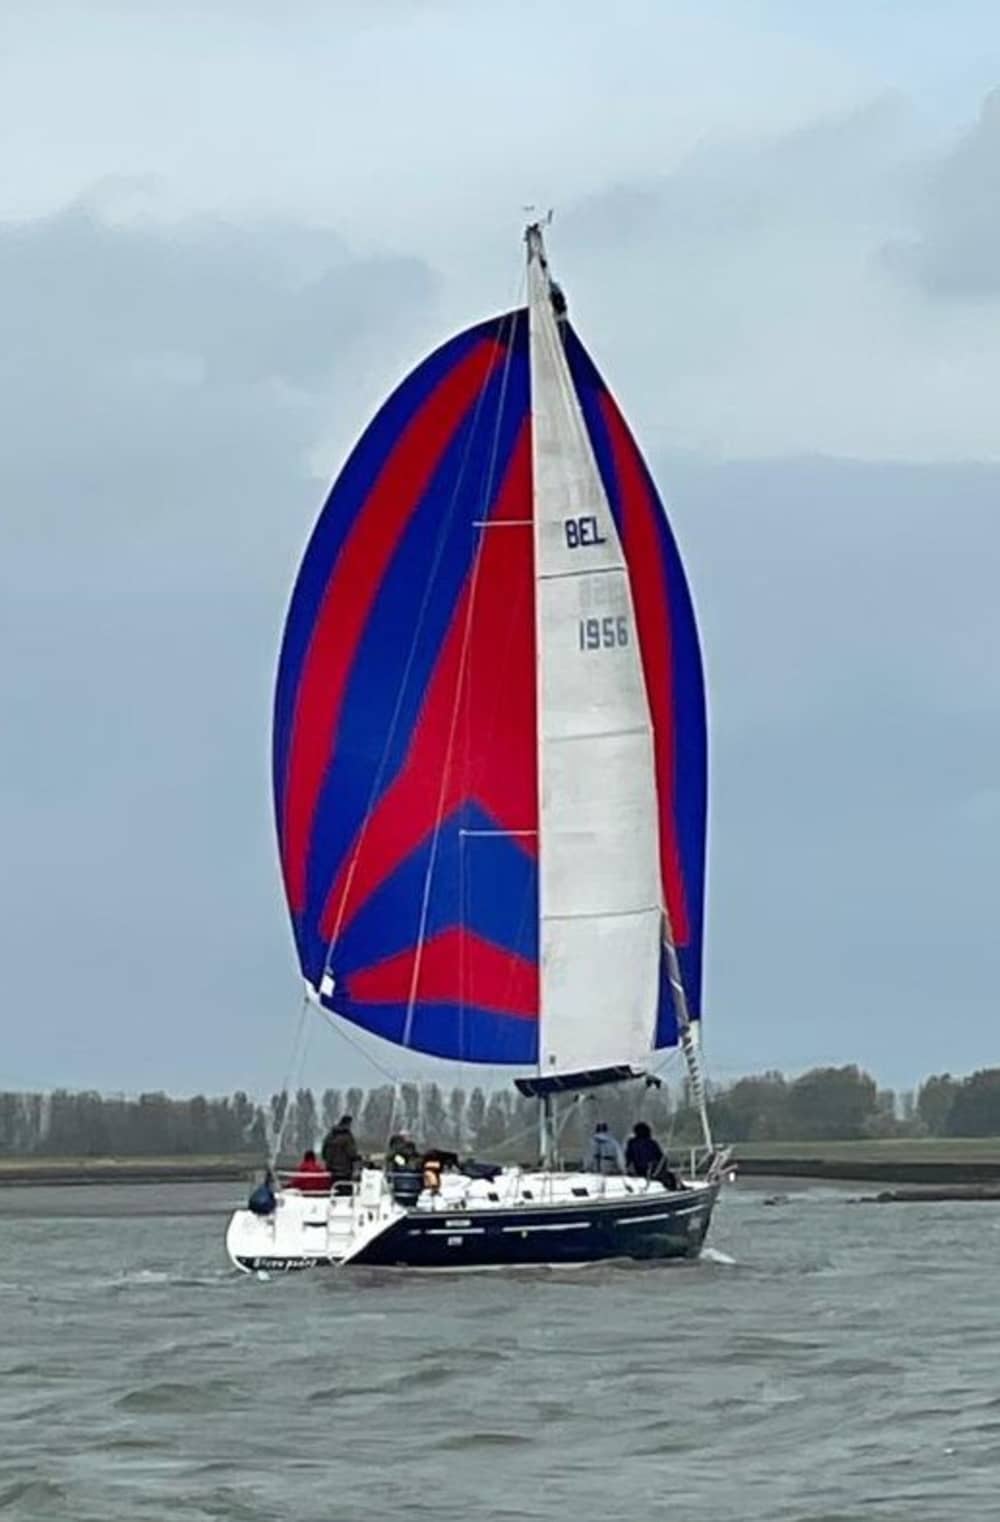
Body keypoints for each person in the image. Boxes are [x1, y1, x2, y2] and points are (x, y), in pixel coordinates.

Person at [321, 1115, 359, 1182]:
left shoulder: (330, 1135)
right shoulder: (347, 1137)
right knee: (345, 1190)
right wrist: (358, 1159)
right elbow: (352, 1153)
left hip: (331, 1170)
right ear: (348, 1123)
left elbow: (323, 1152)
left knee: (333, 1190)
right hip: (345, 1171)